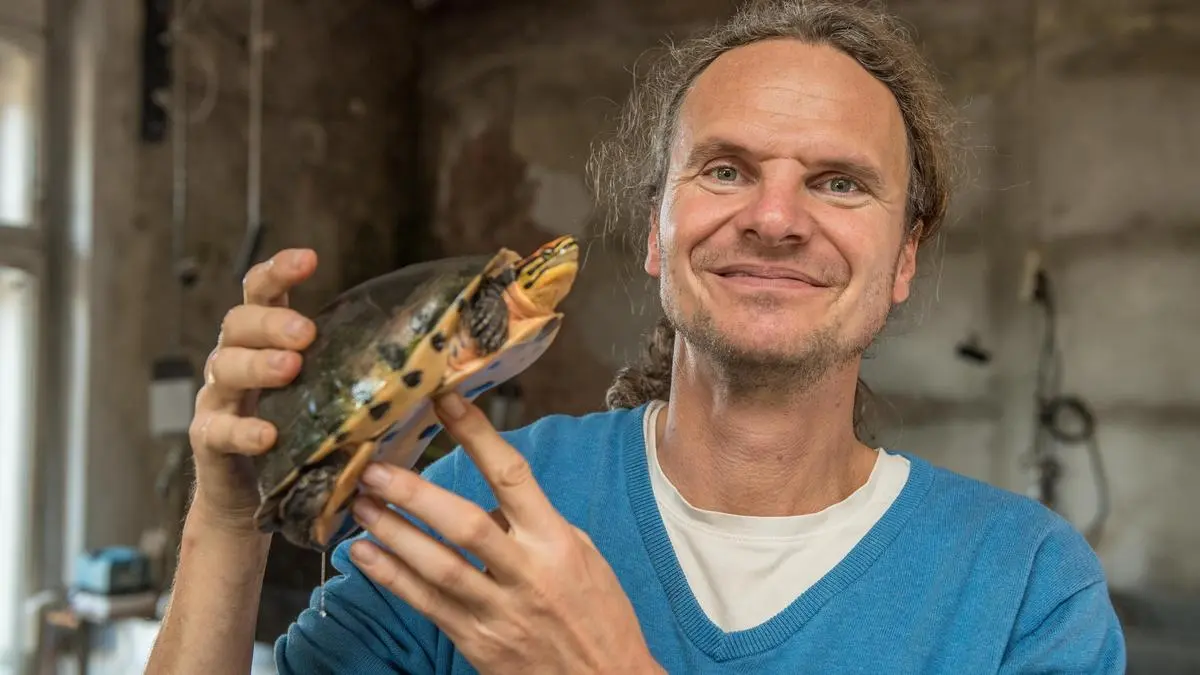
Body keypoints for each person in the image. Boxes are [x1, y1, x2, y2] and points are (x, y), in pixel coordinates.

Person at [146, 1, 1126, 673]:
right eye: (727, 170)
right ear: (658, 229)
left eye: (839, 183)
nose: (775, 219)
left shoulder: (1024, 586)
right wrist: (226, 521)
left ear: (905, 255)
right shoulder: (480, 512)